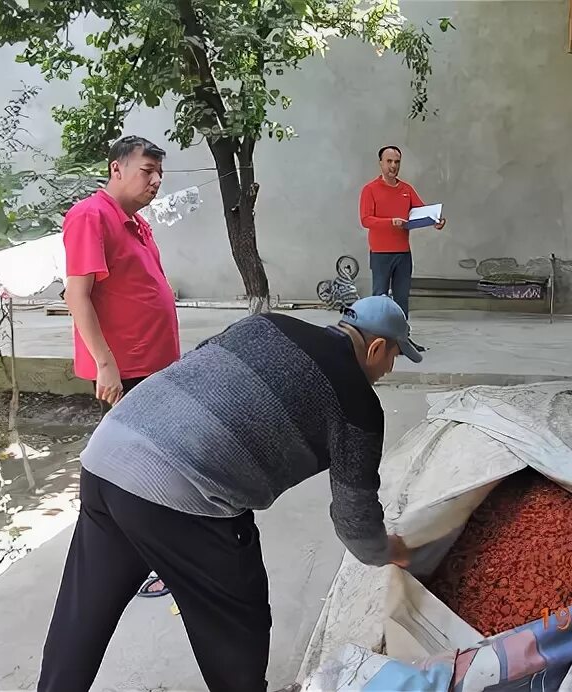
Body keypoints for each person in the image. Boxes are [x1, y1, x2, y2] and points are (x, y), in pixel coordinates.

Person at [37, 296, 421, 692]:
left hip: (108, 452)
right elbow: (355, 524)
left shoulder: (266, 325)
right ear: (376, 347)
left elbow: (202, 367)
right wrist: (392, 550)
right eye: (394, 356)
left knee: (83, 611)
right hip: (181, 493)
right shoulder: (357, 405)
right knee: (236, 624)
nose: (389, 369)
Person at [62, 134, 179, 598]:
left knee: (156, 465)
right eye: (146, 171)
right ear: (116, 169)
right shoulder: (91, 217)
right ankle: (142, 561)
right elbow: (77, 295)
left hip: (154, 367)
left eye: (159, 175)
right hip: (126, 372)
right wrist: (105, 365)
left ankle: (146, 556)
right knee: (138, 471)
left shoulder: (134, 223)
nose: (154, 181)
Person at [359, 145, 446, 350]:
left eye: (397, 162)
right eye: (389, 161)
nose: (393, 166)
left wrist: (436, 221)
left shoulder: (406, 189)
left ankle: (402, 340)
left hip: (403, 253)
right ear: (380, 163)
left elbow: (422, 212)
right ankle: (377, 341)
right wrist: (391, 222)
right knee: (380, 297)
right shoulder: (370, 189)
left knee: (401, 298)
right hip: (380, 253)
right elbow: (366, 220)